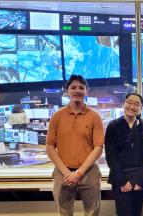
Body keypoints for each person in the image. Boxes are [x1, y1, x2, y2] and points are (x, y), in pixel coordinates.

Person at [46, 75, 104, 216]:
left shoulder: (95, 117)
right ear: (67, 91)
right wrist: (67, 173)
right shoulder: (57, 117)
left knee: (92, 212)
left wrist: (79, 173)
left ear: (86, 91)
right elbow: (49, 147)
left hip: (89, 172)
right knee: (64, 212)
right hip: (62, 173)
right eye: (73, 87)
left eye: (81, 87)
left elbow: (98, 148)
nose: (77, 90)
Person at [105, 93, 143, 216]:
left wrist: (140, 180)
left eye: (137, 104)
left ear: (141, 108)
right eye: (129, 102)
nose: (132, 106)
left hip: (140, 179)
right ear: (124, 104)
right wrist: (122, 181)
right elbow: (111, 156)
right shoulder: (113, 126)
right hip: (120, 179)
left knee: (137, 213)